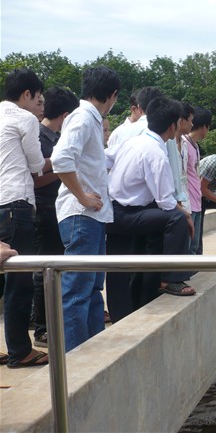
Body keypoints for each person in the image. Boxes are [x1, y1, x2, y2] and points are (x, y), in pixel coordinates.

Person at [105, 96, 196, 322]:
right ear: (173, 126)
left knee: (117, 267)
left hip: (112, 211)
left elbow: (106, 160)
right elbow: (165, 201)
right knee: (175, 219)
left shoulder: (132, 142)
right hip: (128, 214)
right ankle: (171, 278)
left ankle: (120, 315)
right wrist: (186, 215)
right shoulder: (156, 153)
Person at [50, 65, 120, 352]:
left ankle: (91, 353)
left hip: (93, 217)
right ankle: (76, 360)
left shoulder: (90, 119)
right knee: (78, 291)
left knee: (91, 290)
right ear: (112, 95)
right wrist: (82, 197)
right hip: (82, 216)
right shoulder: (82, 117)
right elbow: (61, 159)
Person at [0, 68, 49, 368]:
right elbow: (36, 164)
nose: (38, 104)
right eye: (37, 97)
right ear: (27, 93)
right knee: (19, 283)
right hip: (16, 205)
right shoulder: (25, 119)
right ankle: (20, 352)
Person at [31, 87, 79, 348]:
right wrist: (63, 170)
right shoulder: (37, 137)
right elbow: (34, 180)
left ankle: (53, 323)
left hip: (56, 210)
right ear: (66, 115)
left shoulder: (55, 138)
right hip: (43, 209)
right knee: (44, 272)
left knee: (56, 270)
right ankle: (42, 329)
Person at [182, 106, 211, 254]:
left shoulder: (195, 146)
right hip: (188, 204)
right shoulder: (183, 144)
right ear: (205, 126)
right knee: (187, 247)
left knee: (194, 247)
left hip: (196, 202)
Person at [166, 102, 194, 214]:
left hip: (185, 201)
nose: (192, 124)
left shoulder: (185, 144)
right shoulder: (167, 143)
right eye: (190, 120)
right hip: (173, 203)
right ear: (181, 121)